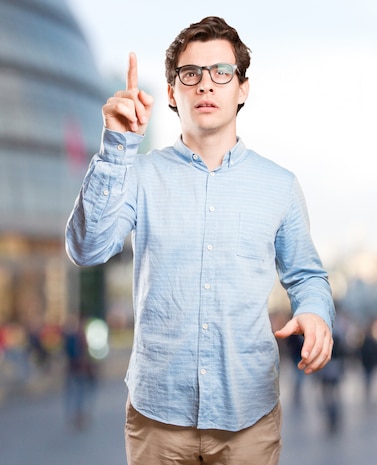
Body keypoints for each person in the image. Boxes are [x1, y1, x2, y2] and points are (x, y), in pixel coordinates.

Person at [65, 16, 334, 465]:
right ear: (172, 92)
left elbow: (306, 274)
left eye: (221, 73)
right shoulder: (140, 174)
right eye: (191, 74)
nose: (206, 85)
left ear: (242, 89)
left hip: (249, 414)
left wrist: (314, 312)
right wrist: (117, 145)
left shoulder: (280, 186)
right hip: (157, 417)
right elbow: (87, 248)